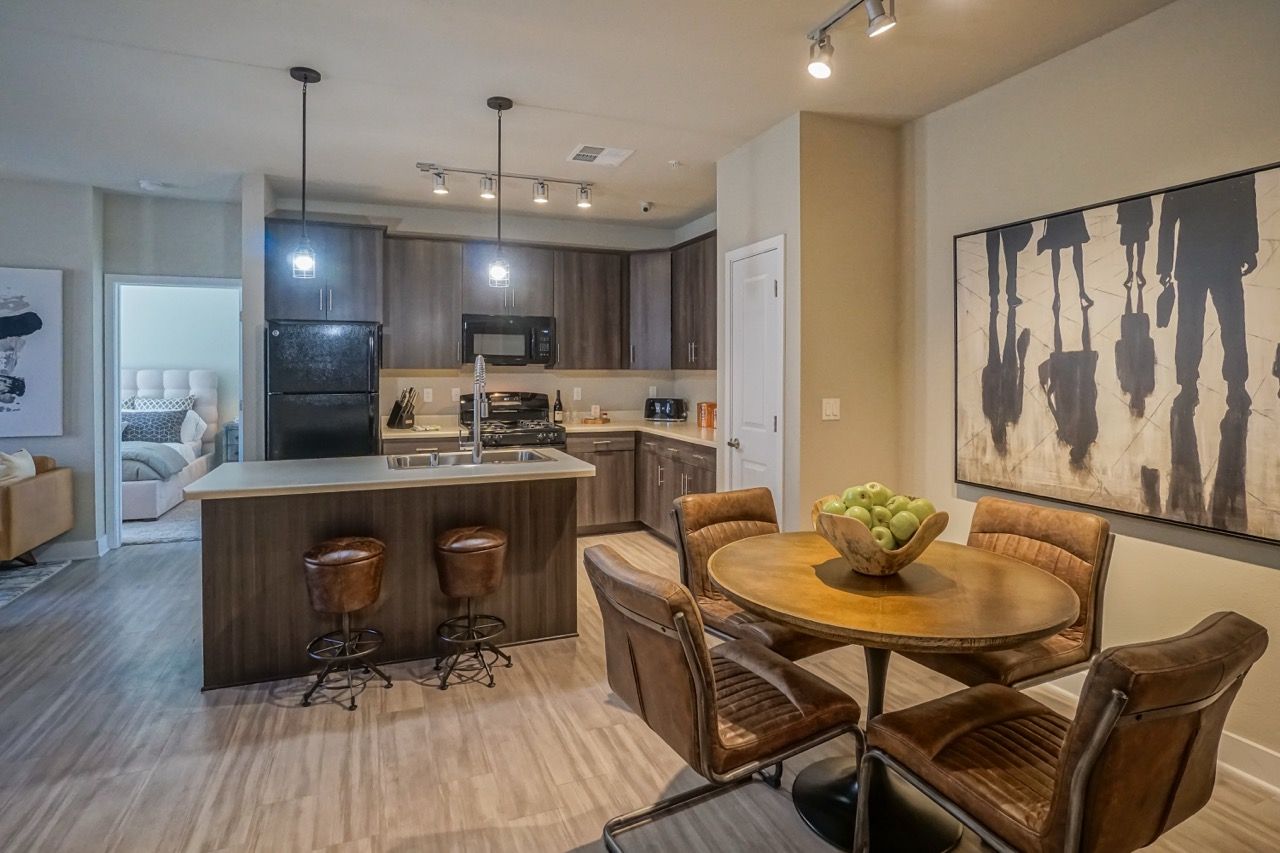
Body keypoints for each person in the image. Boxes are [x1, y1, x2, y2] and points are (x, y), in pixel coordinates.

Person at [1156, 173, 1258, 410]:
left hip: (1192, 259)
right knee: (1233, 325)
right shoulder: (1232, 166)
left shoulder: (1182, 170)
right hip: (1225, 257)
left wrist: (1165, 265)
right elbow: (1246, 202)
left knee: (1189, 326)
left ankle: (1188, 385)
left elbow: (1168, 218)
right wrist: (1249, 248)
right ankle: (1236, 386)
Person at [1037, 211, 1093, 308]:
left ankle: (1059, 293)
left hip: (1059, 212)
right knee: (1074, 245)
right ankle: (1079, 291)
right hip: (1069, 211)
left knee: (1058, 247)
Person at [984, 222, 1034, 308]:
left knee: (992, 261)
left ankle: (993, 297)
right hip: (1007, 223)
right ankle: (1011, 296)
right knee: (1011, 261)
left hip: (992, 222)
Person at [1116, 196, 1153, 289]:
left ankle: (1137, 271)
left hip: (1138, 214)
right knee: (1133, 246)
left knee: (1137, 246)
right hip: (1133, 215)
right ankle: (1133, 271)